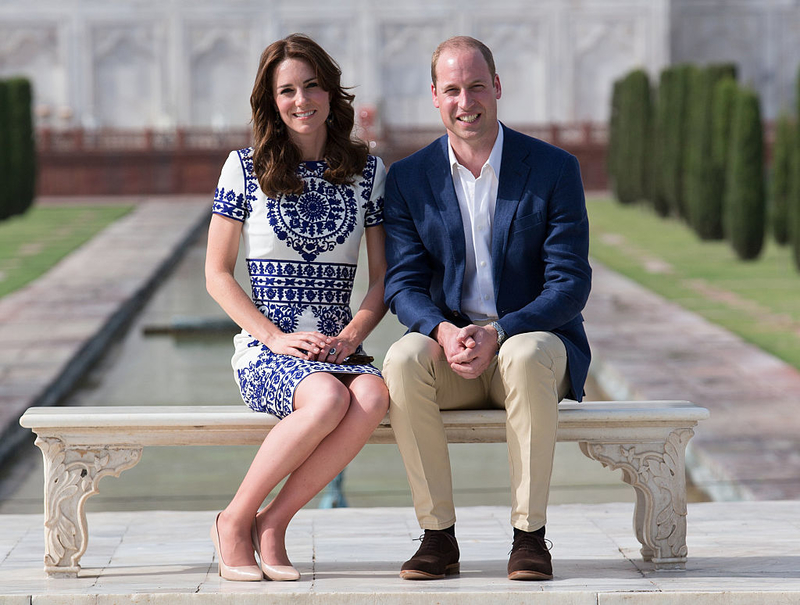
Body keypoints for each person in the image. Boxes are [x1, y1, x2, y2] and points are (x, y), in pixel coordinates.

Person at [382, 36, 591, 581]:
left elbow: (569, 285)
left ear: (496, 87)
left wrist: (499, 331)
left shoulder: (551, 169)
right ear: (434, 96)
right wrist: (443, 332)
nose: (464, 101)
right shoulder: (408, 179)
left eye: (476, 86)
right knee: (402, 360)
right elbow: (402, 286)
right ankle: (437, 537)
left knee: (522, 354)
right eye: (451, 89)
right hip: (454, 354)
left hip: (531, 347)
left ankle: (529, 538)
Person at [205, 33, 389, 582]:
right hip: (269, 348)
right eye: (287, 90)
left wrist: (356, 332)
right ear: (272, 100)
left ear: (332, 94)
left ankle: (274, 523)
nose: (301, 100)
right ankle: (234, 520)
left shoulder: (368, 174)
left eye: (312, 86)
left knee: (374, 392)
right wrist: (275, 338)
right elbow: (217, 275)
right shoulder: (244, 168)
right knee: (329, 395)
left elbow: (383, 279)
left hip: (337, 344)